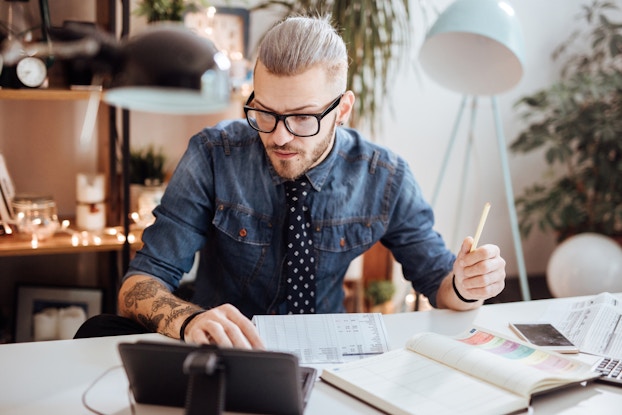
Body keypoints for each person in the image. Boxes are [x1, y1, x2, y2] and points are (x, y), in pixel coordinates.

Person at [76, 15, 506, 348]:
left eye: (302, 117)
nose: (279, 135)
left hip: (330, 358)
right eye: (264, 112)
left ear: (342, 110)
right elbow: (138, 285)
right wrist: (188, 320)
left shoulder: (383, 176)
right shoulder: (213, 155)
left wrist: (468, 287)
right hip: (220, 354)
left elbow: (439, 285)